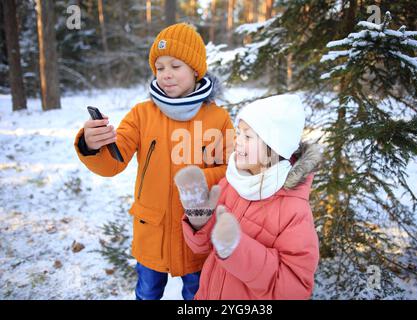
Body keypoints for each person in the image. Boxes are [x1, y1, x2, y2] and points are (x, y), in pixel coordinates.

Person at [74, 23, 234, 300]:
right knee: (147, 292)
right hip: (153, 230)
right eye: (160, 68)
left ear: (196, 70)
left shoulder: (217, 118)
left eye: (175, 66)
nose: (166, 75)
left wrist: (197, 180)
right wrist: (90, 144)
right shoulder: (141, 115)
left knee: (198, 294)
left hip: (197, 231)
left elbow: (231, 170)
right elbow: (114, 161)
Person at [175, 94, 321, 299]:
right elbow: (204, 248)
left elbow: (293, 288)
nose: (238, 142)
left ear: (273, 147)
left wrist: (237, 249)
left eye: (248, 136)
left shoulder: (293, 211)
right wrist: (199, 222)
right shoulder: (232, 183)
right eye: (239, 133)